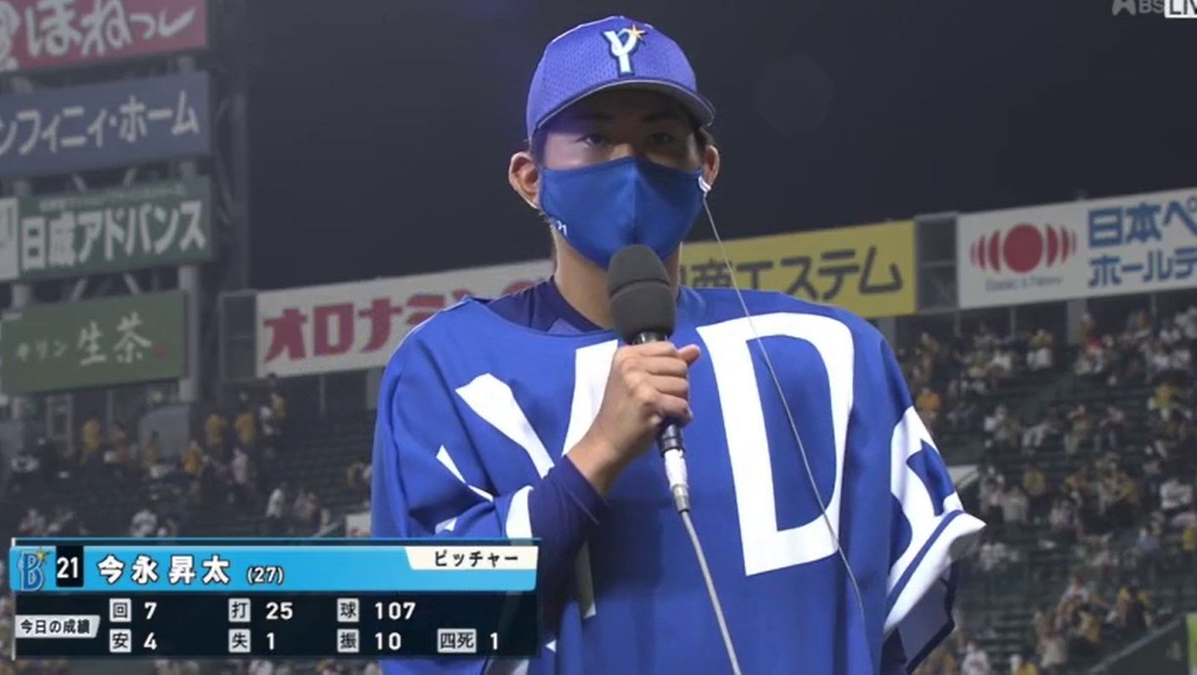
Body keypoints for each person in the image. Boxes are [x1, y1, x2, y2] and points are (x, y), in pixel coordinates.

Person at [371, 15, 984, 674]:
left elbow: (894, 623)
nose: (629, 164)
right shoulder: (445, 366)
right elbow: (414, 619)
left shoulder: (831, 354)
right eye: (594, 138)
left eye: (660, 138)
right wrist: (596, 456)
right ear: (530, 177)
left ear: (706, 166)